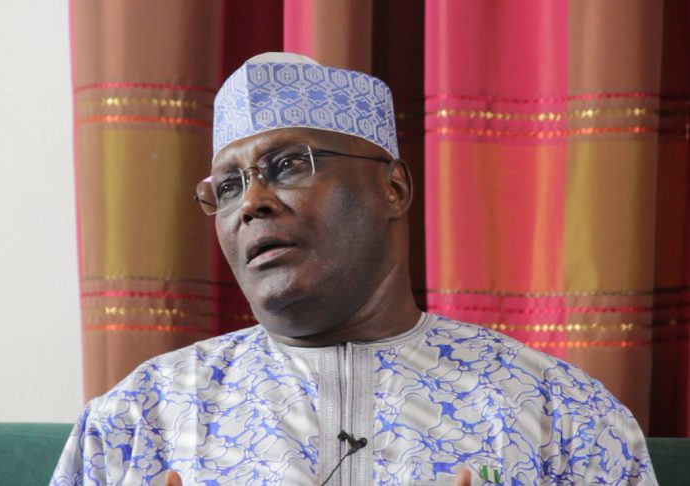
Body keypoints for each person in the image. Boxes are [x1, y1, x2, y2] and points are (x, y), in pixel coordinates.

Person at [51, 52, 657, 485]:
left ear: (392, 188)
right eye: (228, 186)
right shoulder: (138, 418)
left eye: (289, 165)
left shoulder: (560, 413)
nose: (251, 202)